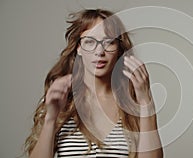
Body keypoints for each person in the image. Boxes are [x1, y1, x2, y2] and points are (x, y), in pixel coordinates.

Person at [25, 8, 163, 158]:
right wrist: (51, 118)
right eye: (90, 42)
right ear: (78, 48)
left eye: (108, 42)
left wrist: (145, 101)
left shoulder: (133, 103)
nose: (99, 51)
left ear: (118, 49)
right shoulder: (61, 99)